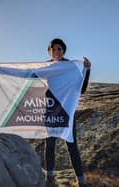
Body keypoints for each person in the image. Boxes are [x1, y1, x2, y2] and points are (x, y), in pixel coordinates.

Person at [45, 38, 91, 187]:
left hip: (66, 112)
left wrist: (87, 70)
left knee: (71, 145)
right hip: (50, 111)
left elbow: (81, 89)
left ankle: (81, 181)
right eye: (53, 49)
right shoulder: (45, 67)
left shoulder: (71, 67)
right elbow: (29, 78)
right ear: (49, 51)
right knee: (49, 145)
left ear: (63, 51)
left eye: (59, 49)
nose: (56, 51)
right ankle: (50, 178)